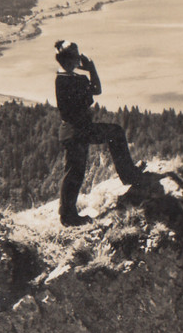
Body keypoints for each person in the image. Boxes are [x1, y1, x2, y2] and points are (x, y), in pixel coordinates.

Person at [54, 39, 146, 226]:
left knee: (74, 172)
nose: (77, 61)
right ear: (71, 59)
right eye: (75, 57)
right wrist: (91, 69)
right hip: (78, 131)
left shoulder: (64, 78)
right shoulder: (70, 80)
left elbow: (93, 93)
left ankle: (67, 214)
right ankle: (129, 175)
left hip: (74, 131)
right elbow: (95, 92)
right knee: (75, 172)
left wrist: (89, 72)